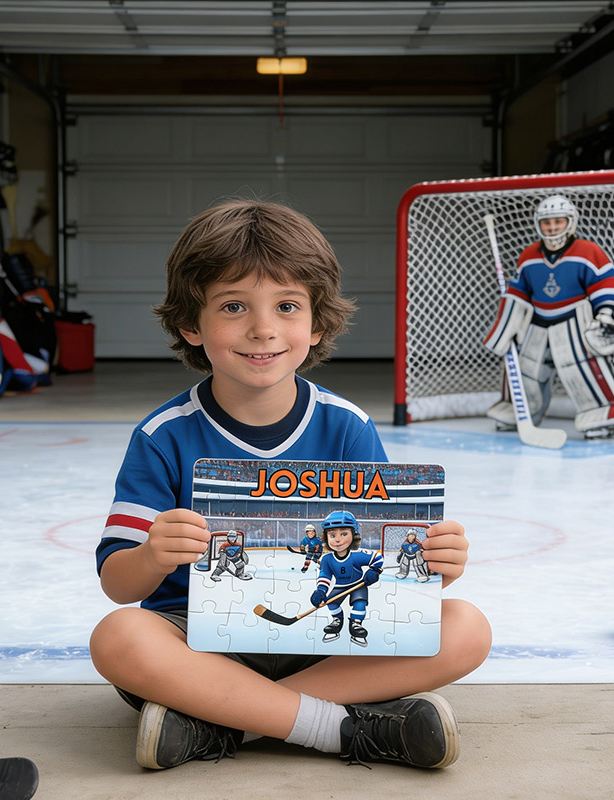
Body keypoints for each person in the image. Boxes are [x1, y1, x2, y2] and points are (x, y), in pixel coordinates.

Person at [89, 199, 491, 772]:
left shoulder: (348, 427)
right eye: (233, 306)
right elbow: (117, 585)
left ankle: (220, 723)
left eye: (286, 305)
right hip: (201, 647)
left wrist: (434, 565)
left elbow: (393, 577)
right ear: (190, 324)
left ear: (317, 322)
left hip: (324, 649)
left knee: (467, 627)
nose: (263, 329)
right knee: (119, 638)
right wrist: (152, 555)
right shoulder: (162, 436)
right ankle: (344, 729)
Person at [483, 194, 614, 438]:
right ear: (538, 224)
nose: (551, 228)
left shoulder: (588, 251)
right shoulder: (529, 255)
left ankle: (600, 415)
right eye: (546, 223)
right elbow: (517, 293)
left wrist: (607, 313)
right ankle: (518, 411)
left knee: (581, 369)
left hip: (573, 323)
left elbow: (607, 285)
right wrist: (505, 327)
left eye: (558, 222)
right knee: (526, 369)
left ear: (570, 222)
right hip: (537, 323)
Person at [311, 511, 382, 646]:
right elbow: (325, 576)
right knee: (331, 602)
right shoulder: (327, 559)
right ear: (326, 537)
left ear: (354, 535)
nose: (337, 540)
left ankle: (356, 624)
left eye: (344, 534)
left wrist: (374, 571)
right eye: (332, 535)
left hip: (359, 584)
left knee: (359, 603)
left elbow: (377, 557)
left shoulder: (357, 555)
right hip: (340, 586)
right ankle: (337, 620)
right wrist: (320, 590)